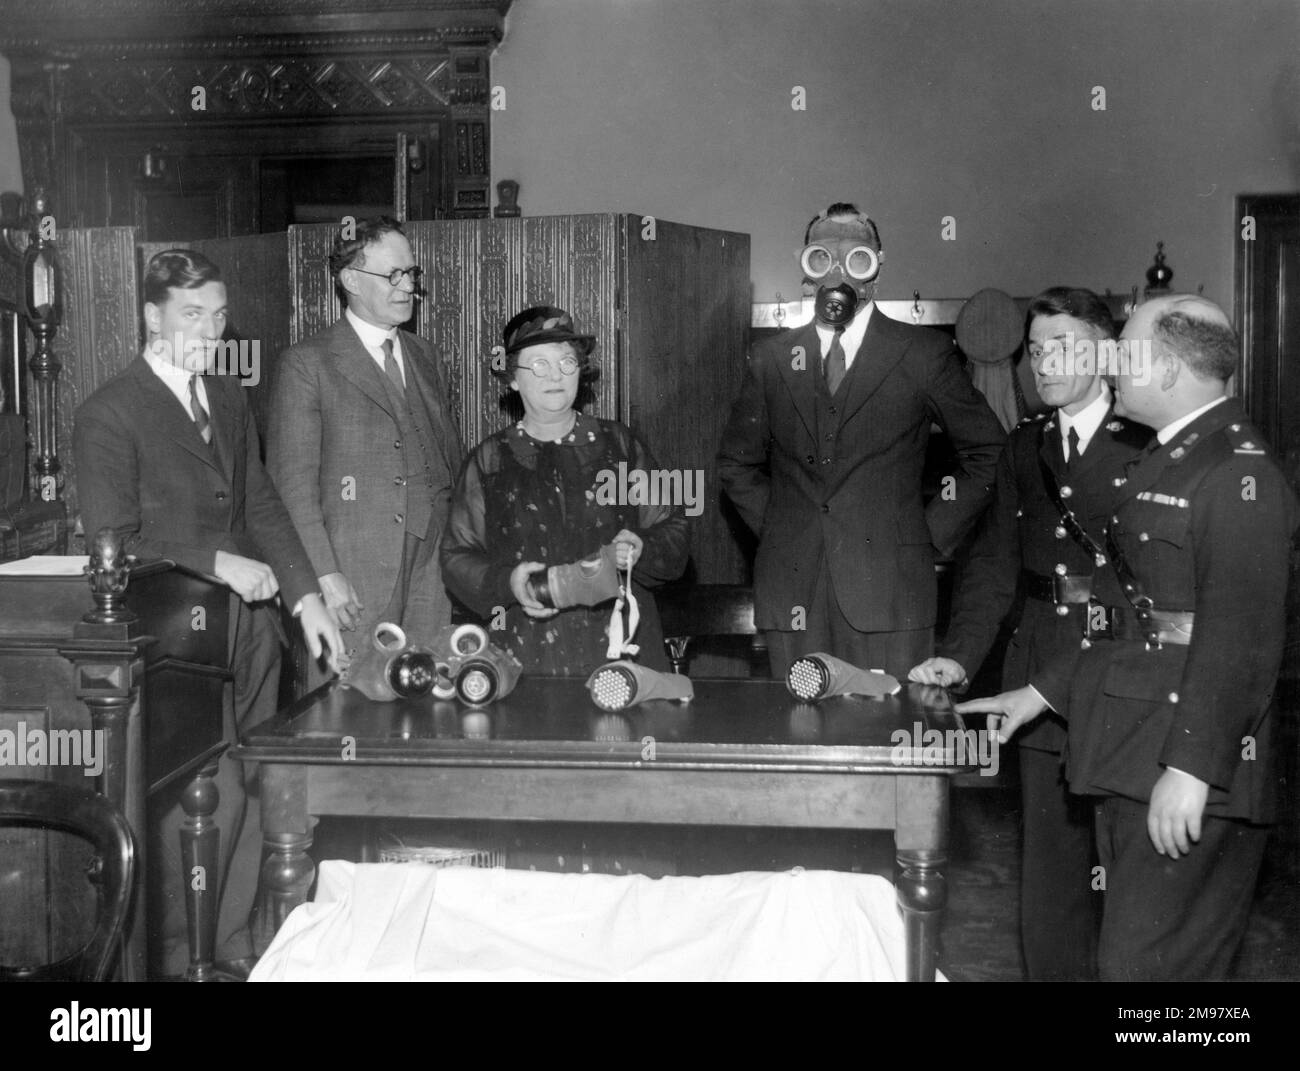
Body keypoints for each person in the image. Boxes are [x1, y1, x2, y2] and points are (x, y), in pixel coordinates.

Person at [958, 294, 1299, 981]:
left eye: (1127, 351)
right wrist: (1038, 693)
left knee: (1154, 977)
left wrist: (1194, 766)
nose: (1112, 363)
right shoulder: (1171, 461)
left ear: (1169, 370)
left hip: (1189, 768)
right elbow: (1120, 612)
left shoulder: (1237, 473)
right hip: (1138, 754)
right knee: (1138, 972)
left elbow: (1244, 638)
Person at [73, 248, 343, 976]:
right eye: (192, 314)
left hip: (252, 633)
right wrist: (213, 558)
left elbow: (260, 503)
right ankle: (175, 959)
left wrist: (307, 594)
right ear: (151, 316)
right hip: (173, 640)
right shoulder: (108, 411)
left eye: (219, 315)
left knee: (251, 786)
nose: (210, 329)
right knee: (189, 803)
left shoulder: (225, 397)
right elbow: (111, 538)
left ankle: (230, 950)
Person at [911, 287, 1151, 980]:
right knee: (1049, 878)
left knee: (1130, 881)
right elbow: (992, 567)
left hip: (1123, 678)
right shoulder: (1027, 446)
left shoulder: (1146, 444)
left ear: (1107, 352)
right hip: (1038, 669)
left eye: (1062, 348)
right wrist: (959, 658)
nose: (1043, 364)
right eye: (1035, 350)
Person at [717, 202, 1005, 678]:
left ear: (876, 269)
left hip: (891, 596)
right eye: (822, 258)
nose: (838, 274)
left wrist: (925, 536)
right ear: (806, 271)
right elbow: (736, 462)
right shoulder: (771, 359)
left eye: (856, 258)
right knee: (799, 735)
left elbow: (989, 451)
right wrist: (781, 528)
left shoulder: (922, 354)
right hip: (793, 595)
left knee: (886, 736)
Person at [267, 216, 463, 687]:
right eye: (393, 275)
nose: (408, 286)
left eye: (412, 274)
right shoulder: (307, 364)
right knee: (350, 707)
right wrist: (323, 575)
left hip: (432, 569)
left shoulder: (426, 356)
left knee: (428, 700)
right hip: (352, 575)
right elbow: (291, 486)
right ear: (350, 280)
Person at [440, 306, 689, 674]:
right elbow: (457, 556)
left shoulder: (620, 445)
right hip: (524, 652)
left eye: (567, 362)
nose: (555, 375)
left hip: (622, 647)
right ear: (512, 379)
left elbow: (674, 530)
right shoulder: (489, 461)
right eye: (538, 364)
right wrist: (509, 582)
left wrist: (642, 548)